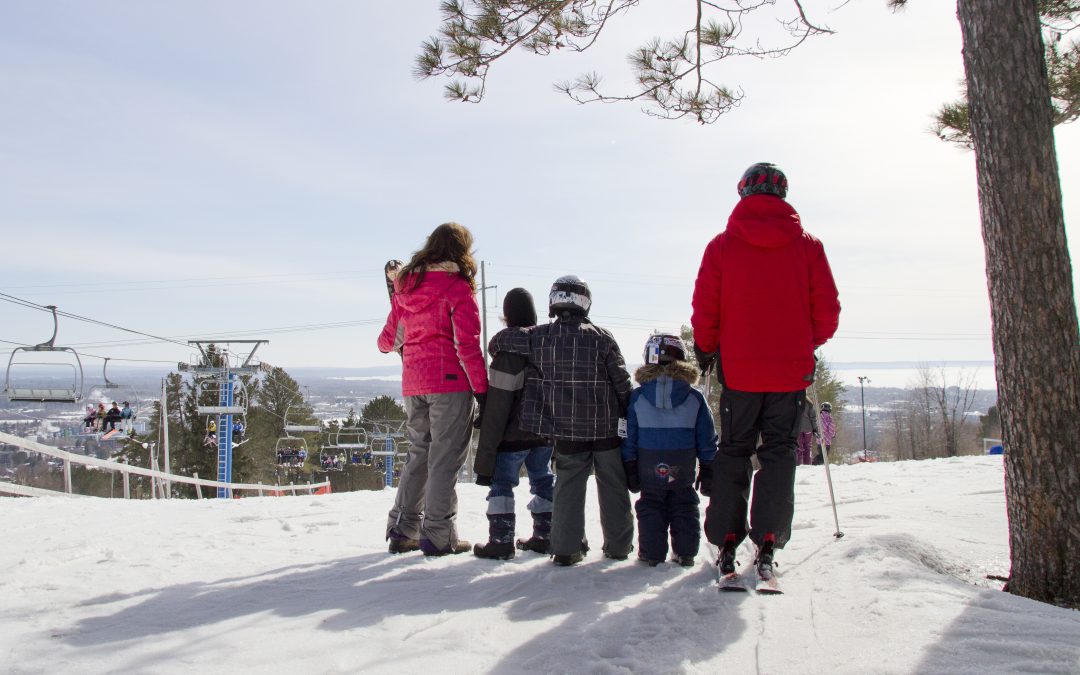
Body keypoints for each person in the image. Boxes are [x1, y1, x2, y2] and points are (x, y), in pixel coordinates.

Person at [691, 162, 841, 584]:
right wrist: (807, 343)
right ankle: (769, 541)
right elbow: (827, 312)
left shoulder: (722, 247)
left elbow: (706, 309)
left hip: (739, 374)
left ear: (743, 192)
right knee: (778, 455)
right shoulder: (808, 247)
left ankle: (726, 542)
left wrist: (706, 348)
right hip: (790, 374)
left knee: (734, 451)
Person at [503, 275, 634, 566]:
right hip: (606, 428)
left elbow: (498, 342)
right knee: (612, 485)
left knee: (568, 487)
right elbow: (622, 383)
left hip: (565, 430)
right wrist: (629, 411)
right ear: (585, 303)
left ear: (553, 301)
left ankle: (565, 548)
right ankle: (619, 546)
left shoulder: (539, 337)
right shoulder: (602, 337)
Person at [378, 222, 488, 556]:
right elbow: (466, 346)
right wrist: (482, 390)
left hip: (415, 385)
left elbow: (386, 342)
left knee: (418, 454)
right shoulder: (457, 289)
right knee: (444, 459)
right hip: (451, 385)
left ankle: (402, 528)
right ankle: (438, 534)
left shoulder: (406, 288)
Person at [472, 288, 555, 560]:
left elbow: (498, 406)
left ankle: (501, 539)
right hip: (543, 434)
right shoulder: (549, 348)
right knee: (543, 480)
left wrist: (486, 454)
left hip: (512, 436)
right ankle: (546, 535)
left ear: (507, 316)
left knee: (501, 484)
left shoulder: (506, 353)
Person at [623, 333, 717, 567]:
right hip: (682, 463)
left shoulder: (637, 397)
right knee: (684, 504)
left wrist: (630, 463)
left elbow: (629, 434)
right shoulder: (694, 398)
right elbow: (706, 435)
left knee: (651, 505)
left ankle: (651, 553)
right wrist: (708, 465)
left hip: (648, 462)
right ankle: (685, 552)